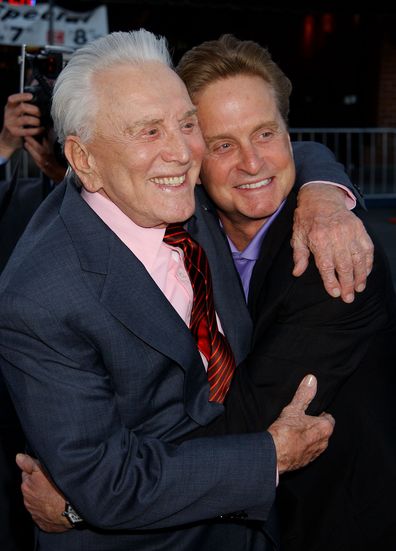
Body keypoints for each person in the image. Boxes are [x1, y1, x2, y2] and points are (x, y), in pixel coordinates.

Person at [0, 30, 372, 550]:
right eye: (148, 131)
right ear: (84, 160)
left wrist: (324, 193)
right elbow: (109, 482)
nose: (182, 153)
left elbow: (276, 151)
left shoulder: (176, 192)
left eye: (187, 124)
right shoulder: (40, 296)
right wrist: (269, 457)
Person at [173, 35, 396, 549]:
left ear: (288, 135)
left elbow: (248, 424)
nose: (252, 163)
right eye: (223, 144)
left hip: (338, 522)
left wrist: (94, 489)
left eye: (265, 134)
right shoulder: (191, 229)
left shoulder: (335, 259)